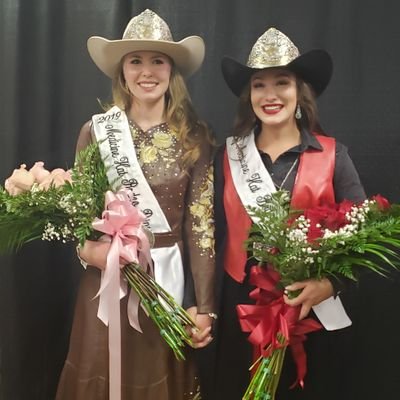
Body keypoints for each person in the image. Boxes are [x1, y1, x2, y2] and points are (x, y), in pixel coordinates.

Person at [56, 9, 215, 400]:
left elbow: (202, 227)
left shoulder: (196, 138)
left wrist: (205, 306)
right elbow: (79, 217)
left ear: (171, 70)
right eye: (136, 61)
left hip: (167, 279)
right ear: (122, 72)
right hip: (108, 279)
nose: (147, 71)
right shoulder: (96, 131)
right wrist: (87, 251)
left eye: (158, 60)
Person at [207, 27, 366, 400]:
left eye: (283, 82)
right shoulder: (226, 157)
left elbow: (364, 237)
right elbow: (209, 236)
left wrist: (330, 284)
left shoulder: (334, 156)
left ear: (300, 92)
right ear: (249, 96)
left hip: (308, 306)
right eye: (259, 85)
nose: (271, 95)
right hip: (241, 305)